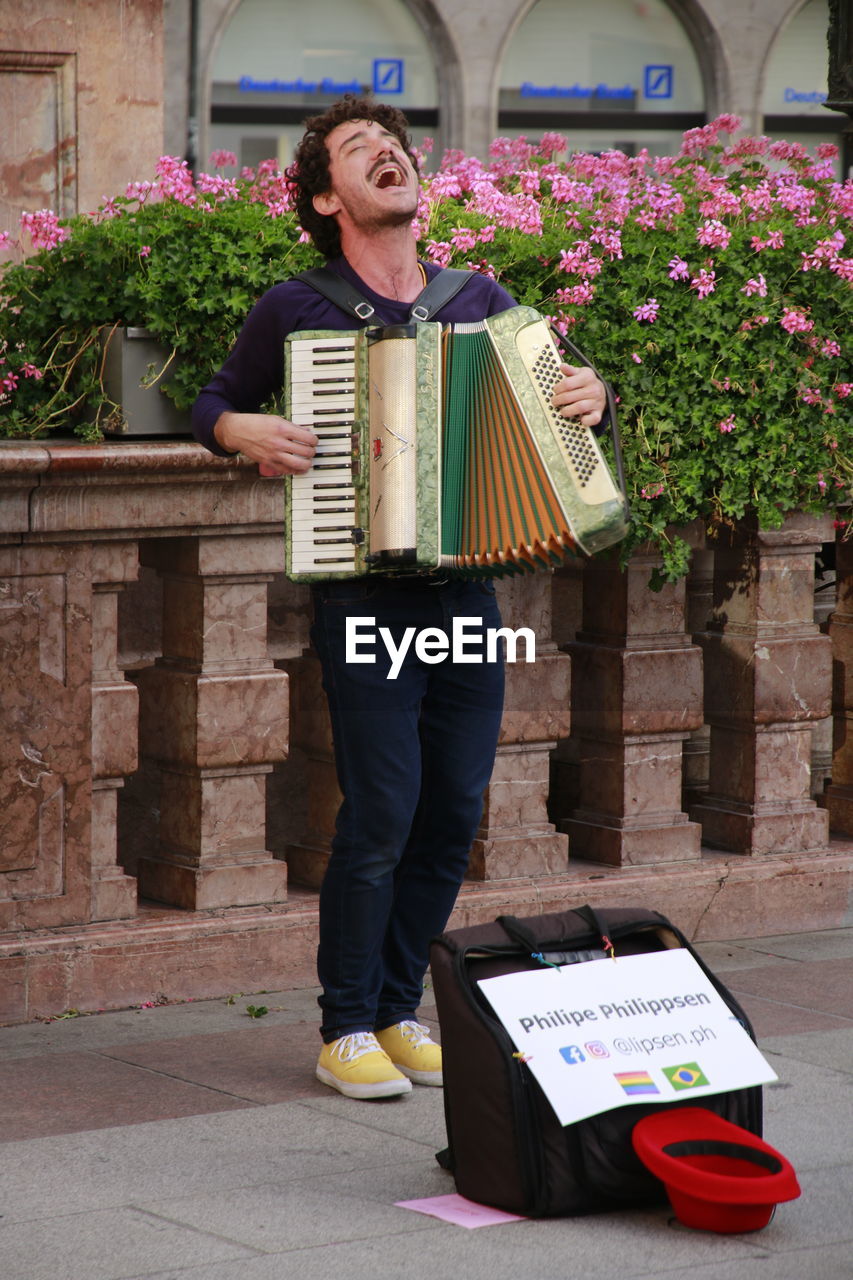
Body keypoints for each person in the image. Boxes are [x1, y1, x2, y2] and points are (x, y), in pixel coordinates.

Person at [192, 96, 606, 1100]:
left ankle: (393, 1005)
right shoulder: (299, 305)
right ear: (328, 196)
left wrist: (589, 394)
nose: (388, 152)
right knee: (381, 806)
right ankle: (343, 1025)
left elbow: (561, 421)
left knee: (453, 805)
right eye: (357, 149)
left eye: (394, 145)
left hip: (466, 592)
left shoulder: (480, 297)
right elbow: (214, 400)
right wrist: (241, 432)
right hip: (365, 596)